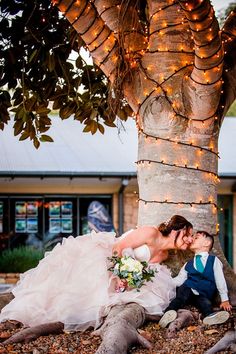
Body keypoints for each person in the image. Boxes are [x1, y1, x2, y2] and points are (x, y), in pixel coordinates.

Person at [0, 215, 193, 333]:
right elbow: (119, 246)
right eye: (187, 234)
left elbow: (144, 270)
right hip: (109, 256)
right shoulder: (151, 233)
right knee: (76, 288)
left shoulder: (165, 254)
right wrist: (118, 274)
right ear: (178, 229)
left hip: (124, 271)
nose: (189, 240)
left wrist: (129, 280)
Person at [159, 231, 232, 328]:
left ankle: (210, 316)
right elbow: (179, 280)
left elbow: (220, 279)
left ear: (207, 243)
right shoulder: (188, 264)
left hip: (204, 293)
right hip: (188, 288)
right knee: (180, 298)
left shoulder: (214, 261)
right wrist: (165, 282)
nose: (192, 239)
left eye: (196, 237)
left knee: (205, 303)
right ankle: (168, 314)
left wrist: (224, 299)